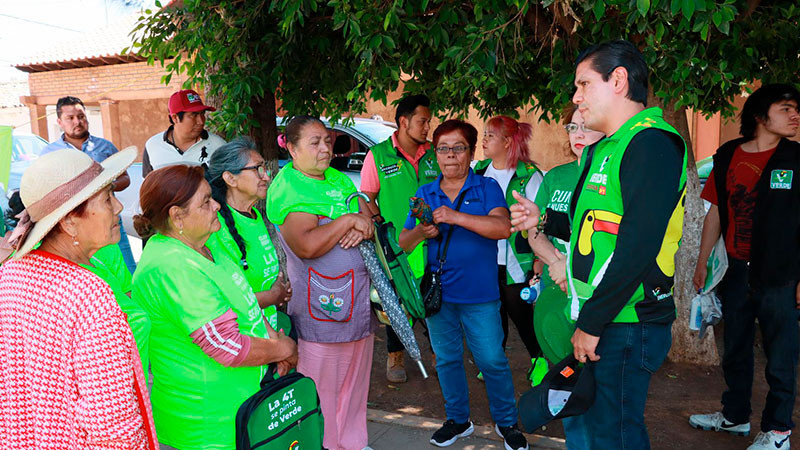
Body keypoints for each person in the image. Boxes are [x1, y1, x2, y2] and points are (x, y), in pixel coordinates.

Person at [510, 39, 686, 449]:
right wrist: (543, 219)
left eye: (584, 84)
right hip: (602, 315)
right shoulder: (603, 147)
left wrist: (591, 323)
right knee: (594, 431)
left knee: (616, 436)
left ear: (619, 80)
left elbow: (638, 245)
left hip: (627, 322)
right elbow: (592, 225)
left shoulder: (652, 142)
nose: (576, 97)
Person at [0, 147, 157, 449]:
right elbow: (113, 426)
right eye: (107, 198)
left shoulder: (11, 274)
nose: (119, 207)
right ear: (69, 221)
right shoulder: (87, 293)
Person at [132, 165, 298, 450]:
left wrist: (272, 339)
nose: (217, 205)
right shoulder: (170, 265)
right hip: (205, 424)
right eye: (206, 201)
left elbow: (245, 302)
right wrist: (283, 349)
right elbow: (225, 345)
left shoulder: (207, 244)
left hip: (242, 407)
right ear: (177, 216)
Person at [399, 119, 528, 450]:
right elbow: (404, 241)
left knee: (491, 360)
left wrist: (455, 217)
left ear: (471, 153)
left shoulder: (486, 189)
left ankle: (507, 422)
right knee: (447, 359)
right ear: (435, 154)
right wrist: (421, 232)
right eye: (443, 149)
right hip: (439, 297)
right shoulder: (424, 193)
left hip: (481, 296)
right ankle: (458, 420)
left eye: (458, 148)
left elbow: (502, 228)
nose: (450, 156)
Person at [688, 84, 800, 450]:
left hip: (781, 274)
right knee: (735, 346)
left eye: (796, 109)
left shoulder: (796, 159)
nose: (795, 115)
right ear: (759, 115)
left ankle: (779, 429)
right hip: (736, 270)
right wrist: (703, 261)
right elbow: (716, 212)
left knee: (780, 354)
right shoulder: (727, 155)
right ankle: (735, 416)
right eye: (786, 108)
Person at [267, 116, 376, 450]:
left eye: (328, 141)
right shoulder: (290, 186)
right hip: (320, 310)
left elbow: (367, 214)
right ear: (292, 146)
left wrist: (360, 222)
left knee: (355, 384)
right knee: (321, 389)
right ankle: (324, 445)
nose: (325, 148)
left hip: (356, 306)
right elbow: (307, 245)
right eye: (314, 142)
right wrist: (346, 221)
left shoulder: (337, 179)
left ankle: (353, 442)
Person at [529, 106, 604, 450]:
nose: (577, 134)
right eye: (572, 126)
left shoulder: (610, 175)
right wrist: (558, 265)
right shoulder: (555, 177)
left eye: (586, 126)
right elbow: (533, 231)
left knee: (601, 395)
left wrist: (570, 273)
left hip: (595, 304)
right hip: (555, 298)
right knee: (568, 387)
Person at [360, 94, 439, 383]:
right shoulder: (379, 155)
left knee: (433, 298)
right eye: (422, 121)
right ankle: (395, 356)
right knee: (396, 301)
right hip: (398, 247)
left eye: (428, 121)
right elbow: (366, 198)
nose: (427, 127)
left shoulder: (433, 153)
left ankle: (437, 355)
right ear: (404, 122)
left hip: (433, 242)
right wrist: (380, 226)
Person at [473, 115, 543, 376]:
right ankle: (494, 359)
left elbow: (540, 219)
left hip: (517, 258)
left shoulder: (528, 176)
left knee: (520, 311)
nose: (484, 140)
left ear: (507, 142)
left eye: (490, 135)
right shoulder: (478, 171)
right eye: (484, 134)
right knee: (492, 311)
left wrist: (540, 258)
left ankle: (538, 357)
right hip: (485, 257)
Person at [42, 96, 137, 273]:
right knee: (89, 271)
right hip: (74, 226)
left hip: (107, 216)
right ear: (59, 122)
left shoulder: (104, 146)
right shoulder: (49, 153)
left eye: (81, 116)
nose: (77, 122)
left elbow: (125, 178)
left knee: (126, 270)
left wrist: (104, 189)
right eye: (70, 118)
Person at [205, 137, 292, 309]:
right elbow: (222, 300)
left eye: (265, 168)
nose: (266, 177)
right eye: (257, 169)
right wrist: (273, 296)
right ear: (230, 178)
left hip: (266, 329)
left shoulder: (255, 215)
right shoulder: (216, 227)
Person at [142, 89, 226, 177]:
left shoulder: (218, 146)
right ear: (175, 118)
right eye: (193, 115)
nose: (201, 121)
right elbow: (148, 187)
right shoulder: (153, 145)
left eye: (202, 114)